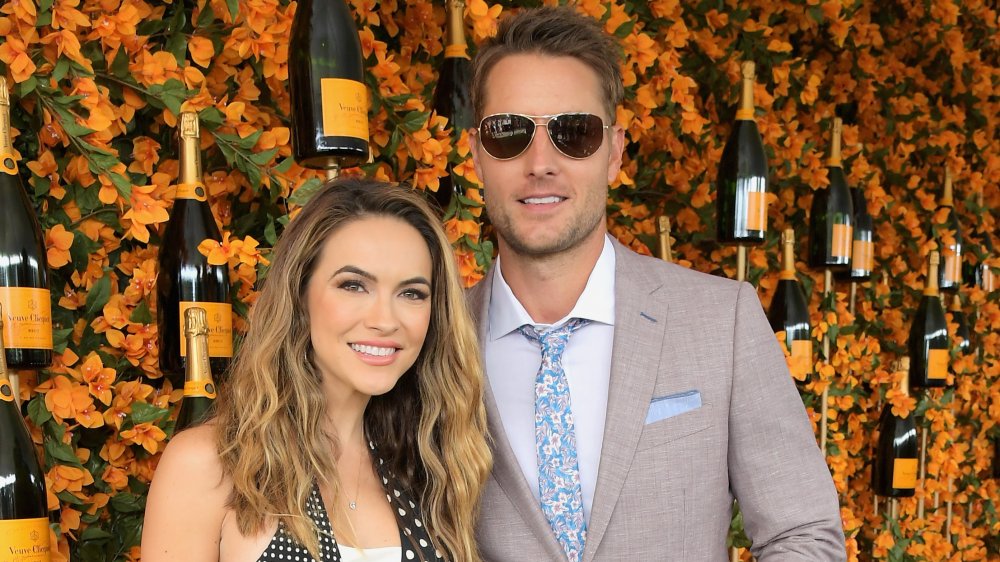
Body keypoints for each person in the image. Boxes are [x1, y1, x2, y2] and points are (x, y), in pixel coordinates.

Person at [466, 6, 846, 561]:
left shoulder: (723, 321)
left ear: (615, 153)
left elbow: (802, 533)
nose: (541, 162)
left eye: (574, 133)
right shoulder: (434, 342)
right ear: (476, 154)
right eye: (509, 134)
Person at [142, 178, 492, 562]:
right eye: (354, 285)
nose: (385, 320)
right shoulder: (209, 463)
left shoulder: (430, 469)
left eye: (411, 293)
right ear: (300, 294)